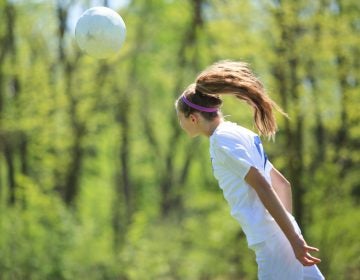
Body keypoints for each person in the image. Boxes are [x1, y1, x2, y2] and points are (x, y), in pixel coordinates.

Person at [175, 60, 325, 279]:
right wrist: (289, 233)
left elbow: (263, 186)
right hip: (282, 237)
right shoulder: (238, 132)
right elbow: (282, 184)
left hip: (273, 243)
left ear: (193, 118)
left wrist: (291, 239)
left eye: (180, 119)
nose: (181, 124)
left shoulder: (221, 141)